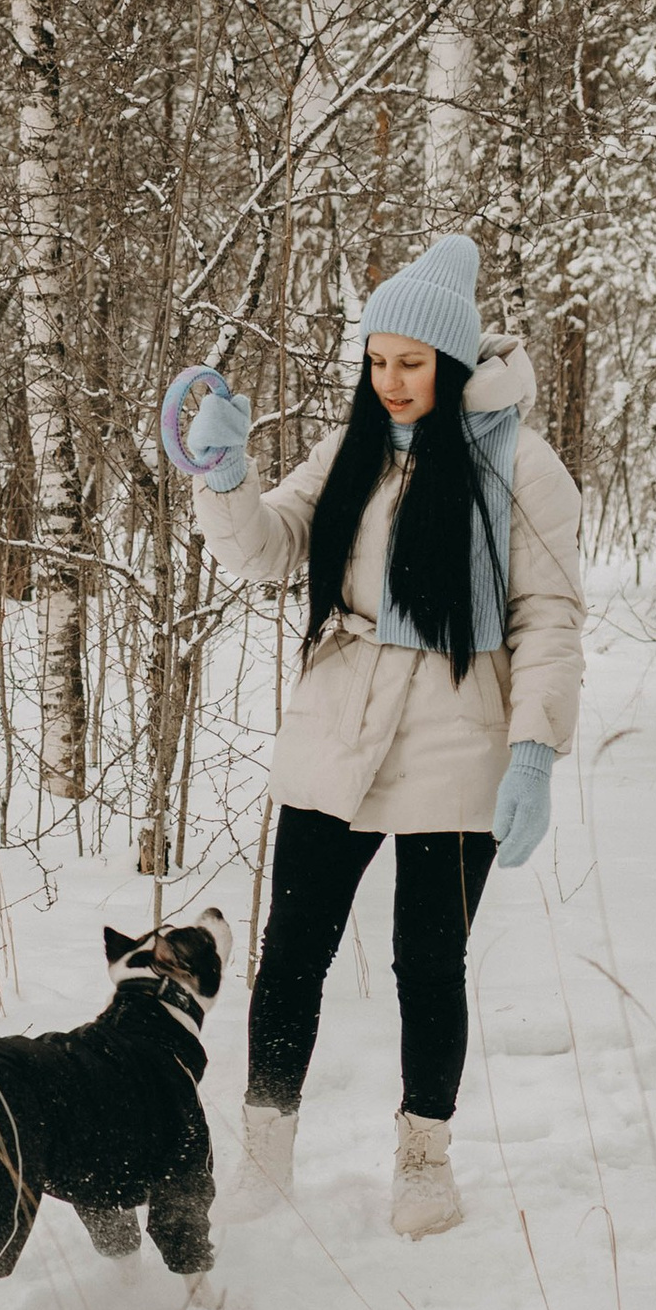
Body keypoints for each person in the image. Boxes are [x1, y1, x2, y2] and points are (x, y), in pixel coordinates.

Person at [160, 233, 584, 1238]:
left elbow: (549, 618)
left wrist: (533, 751)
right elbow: (267, 552)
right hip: (336, 729)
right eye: (377, 361)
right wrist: (222, 476)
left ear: (452, 361)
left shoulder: (522, 465)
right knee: (291, 951)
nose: (391, 382)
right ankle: (263, 1156)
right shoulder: (346, 446)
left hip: (458, 731)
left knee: (428, 963)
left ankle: (423, 1159)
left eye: (412, 363)